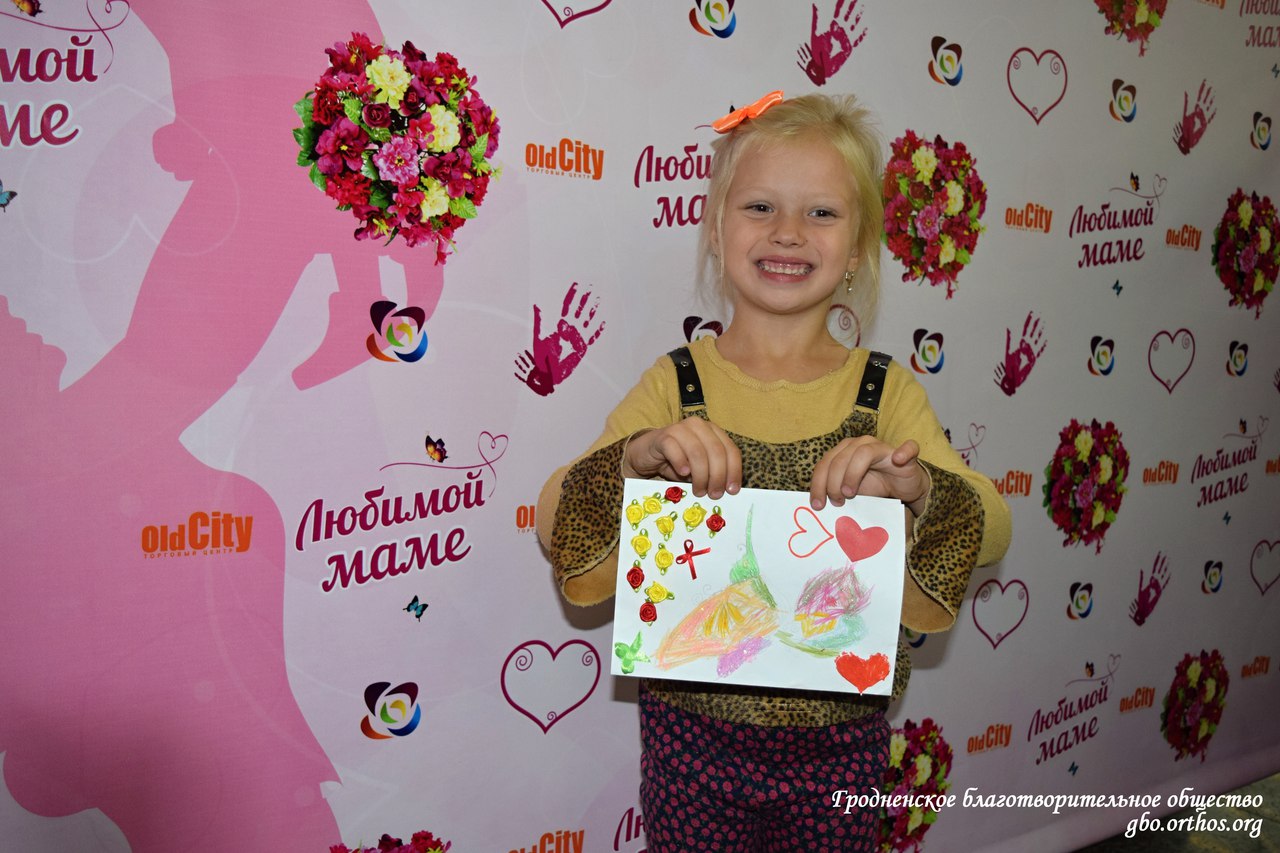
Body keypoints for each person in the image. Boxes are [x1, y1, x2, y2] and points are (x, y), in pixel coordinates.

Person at [536, 92, 1011, 852]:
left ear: (857, 248)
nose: (788, 231)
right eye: (760, 206)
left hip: (844, 743)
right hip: (690, 741)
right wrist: (635, 458)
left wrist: (918, 489)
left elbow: (990, 527)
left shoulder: (884, 392)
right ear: (716, 229)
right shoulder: (676, 384)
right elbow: (555, 515)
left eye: (821, 213)